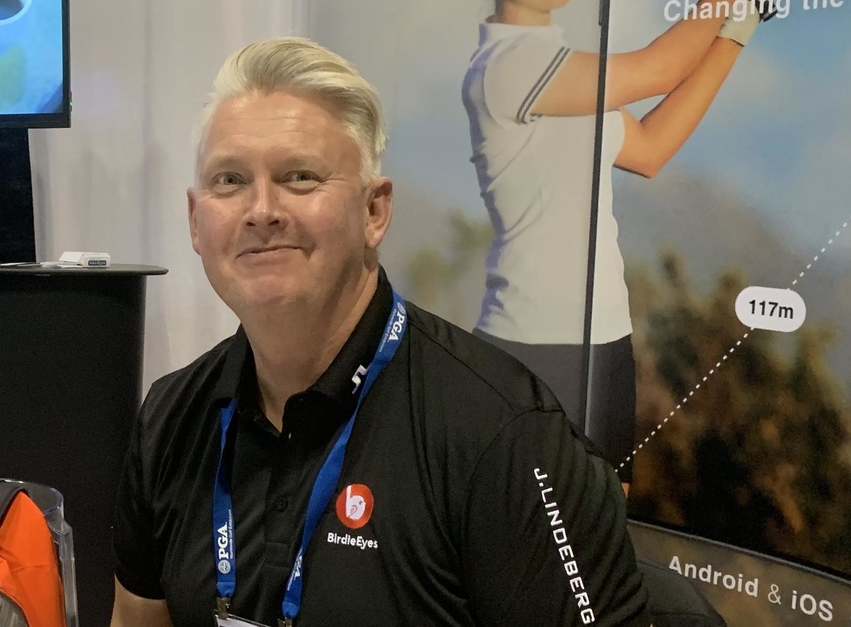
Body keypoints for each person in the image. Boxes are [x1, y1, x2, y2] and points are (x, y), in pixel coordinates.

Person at [112, 38, 651, 626]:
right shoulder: (170, 417)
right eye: (230, 180)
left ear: (374, 212)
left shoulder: (503, 438)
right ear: (195, 222)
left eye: (299, 177)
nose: (261, 210)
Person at [455, 0, 774, 475]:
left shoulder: (561, 70)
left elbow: (650, 147)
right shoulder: (507, 66)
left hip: (605, 340)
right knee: (536, 530)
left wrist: (737, 26)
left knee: (604, 525)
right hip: (529, 345)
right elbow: (657, 69)